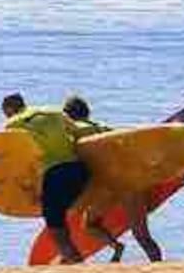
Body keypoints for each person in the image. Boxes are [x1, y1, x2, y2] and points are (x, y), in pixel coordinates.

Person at [62, 95, 163, 263]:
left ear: (68, 115)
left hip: (106, 189)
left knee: (90, 224)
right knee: (141, 234)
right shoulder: (105, 129)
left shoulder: (72, 131)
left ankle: (116, 247)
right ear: (87, 113)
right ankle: (158, 264)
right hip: (128, 183)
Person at [2, 93, 87, 263]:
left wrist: (27, 187)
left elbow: (18, 159)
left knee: (55, 227)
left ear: (9, 109)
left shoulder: (13, 125)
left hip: (55, 175)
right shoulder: (53, 112)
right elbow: (79, 133)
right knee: (61, 218)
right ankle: (70, 260)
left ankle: (77, 265)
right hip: (79, 171)